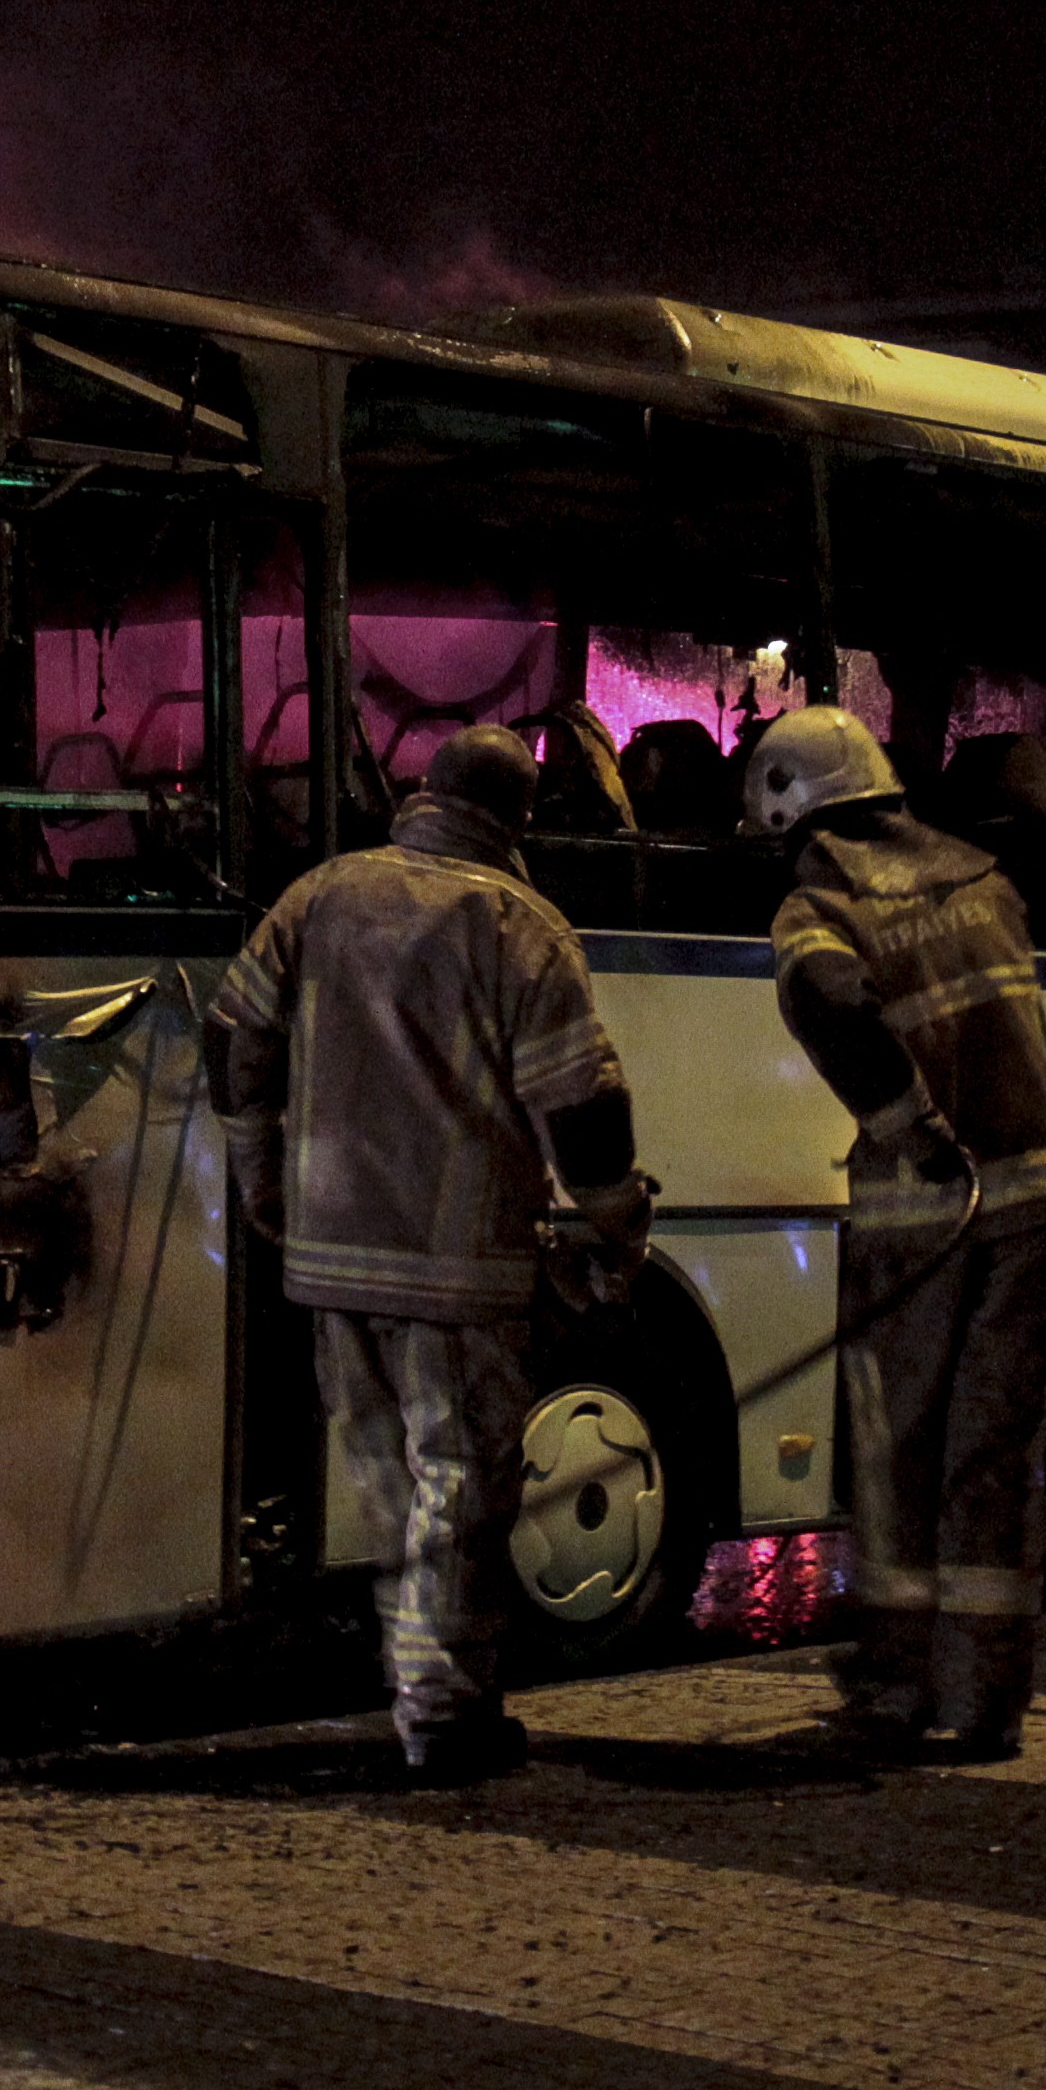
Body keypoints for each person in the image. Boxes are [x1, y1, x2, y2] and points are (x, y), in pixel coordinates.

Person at [211, 721, 654, 1782]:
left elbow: (234, 1034)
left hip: (328, 1251)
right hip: (452, 1269)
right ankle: (445, 1717)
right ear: (518, 819)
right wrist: (614, 1216)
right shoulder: (517, 922)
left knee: (387, 1492)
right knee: (460, 1492)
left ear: (423, 792)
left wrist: (260, 1176)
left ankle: (419, 1698)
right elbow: (581, 1101)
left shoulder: (318, 895)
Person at [751, 704, 1046, 1757]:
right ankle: (982, 1702)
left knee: (900, 1454)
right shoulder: (985, 878)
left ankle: (897, 1684)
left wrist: (910, 1130)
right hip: (1039, 1202)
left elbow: (828, 999)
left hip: (927, 1218)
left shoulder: (821, 903)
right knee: (991, 1455)